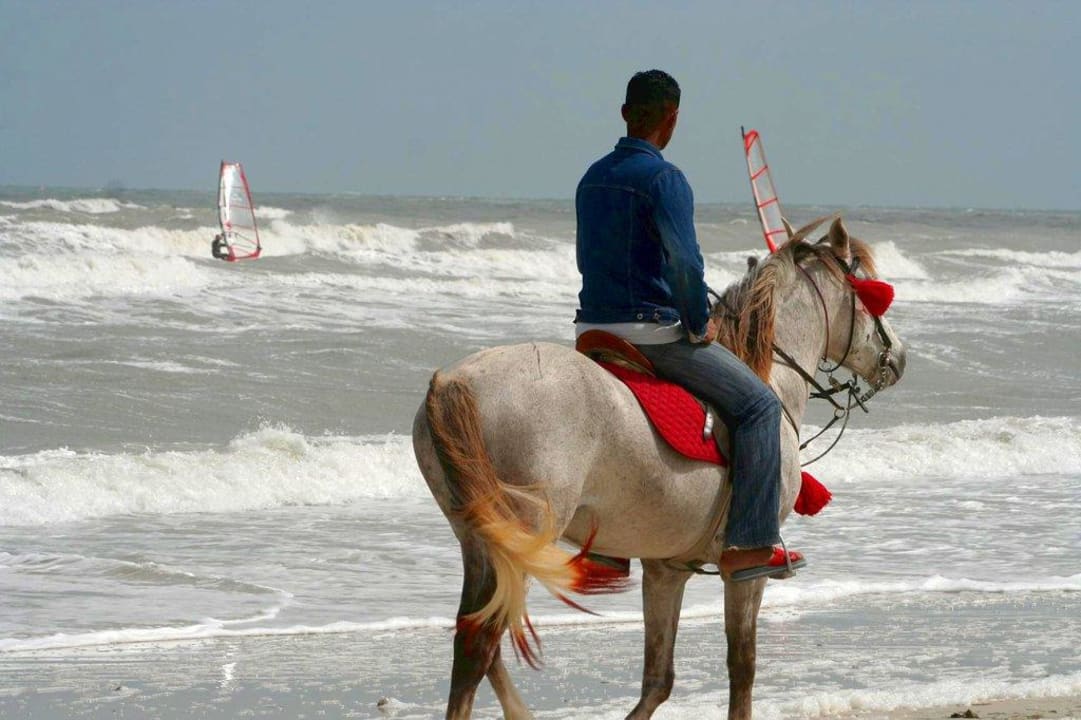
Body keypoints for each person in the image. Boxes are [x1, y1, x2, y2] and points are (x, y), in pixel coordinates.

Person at [574, 69, 805, 582]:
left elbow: (588, 256)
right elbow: (683, 264)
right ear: (672, 119)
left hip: (592, 332)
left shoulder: (591, 176)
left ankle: (606, 546)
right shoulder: (665, 179)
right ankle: (749, 543)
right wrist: (698, 323)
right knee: (760, 406)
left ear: (624, 113)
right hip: (651, 336)